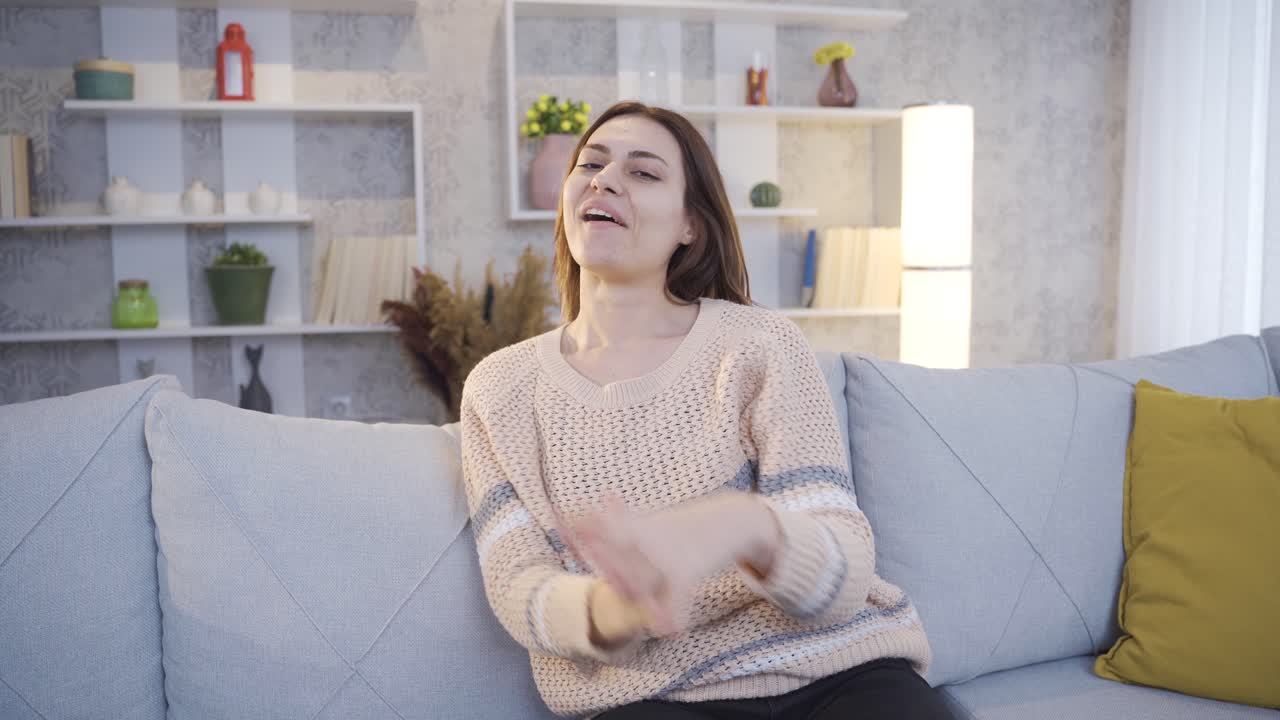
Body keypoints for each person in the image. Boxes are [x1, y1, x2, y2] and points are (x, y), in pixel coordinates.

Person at [459, 101, 957, 720]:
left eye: (644, 173)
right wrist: (617, 612)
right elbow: (518, 585)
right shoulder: (501, 389)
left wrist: (741, 525)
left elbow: (843, 579)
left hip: (835, 673)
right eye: (590, 164)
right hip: (649, 697)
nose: (604, 178)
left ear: (689, 225)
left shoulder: (760, 347)